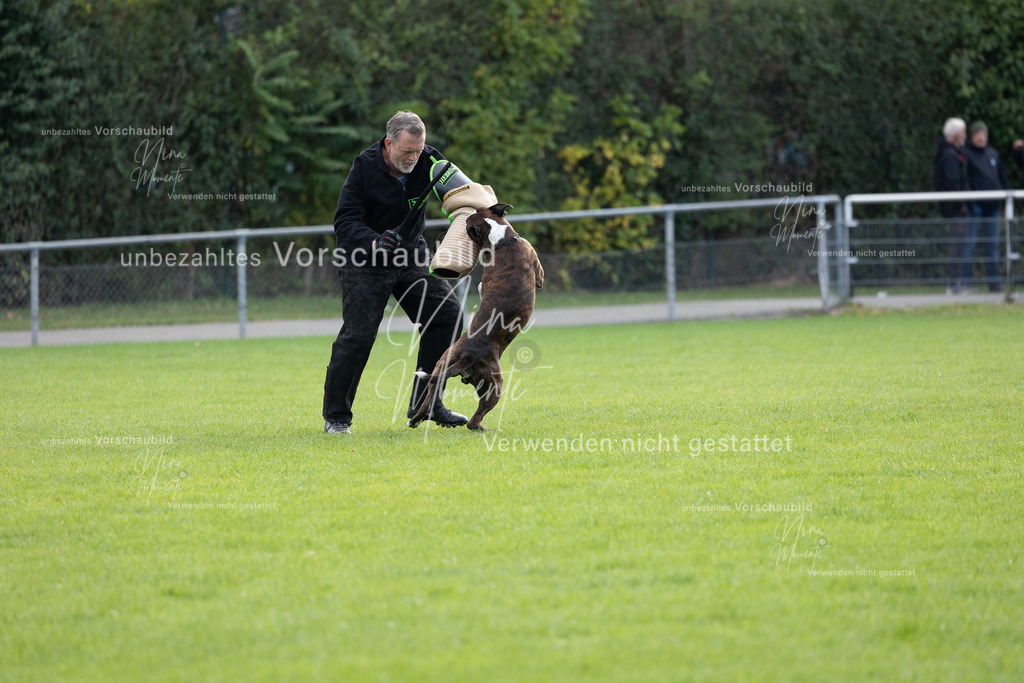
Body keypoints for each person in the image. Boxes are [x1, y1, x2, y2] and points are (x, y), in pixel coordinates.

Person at [322, 111, 468, 434]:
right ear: (388, 144)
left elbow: (463, 193)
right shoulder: (364, 166)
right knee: (358, 335)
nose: (415, 159)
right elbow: (344, 221)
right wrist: (375, 242)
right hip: (364, 259)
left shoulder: (431, 161)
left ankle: (426, 404)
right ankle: (336, 419)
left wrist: (482, 207)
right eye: (407, 152)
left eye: (419, 150)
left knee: (448, 317)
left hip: (410, 254)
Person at [963, 121, 1007, 292]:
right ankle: (966, 283)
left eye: (984, 134)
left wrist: (1004, 201)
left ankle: (994, 283)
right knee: (970, 245)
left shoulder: (993, 154)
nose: (982, 137)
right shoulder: (966, 154)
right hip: (976, 207)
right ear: (973, 136)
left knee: (992, 246)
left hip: (993, 207)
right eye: (979, 134)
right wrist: (970, 203)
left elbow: (1002, 178)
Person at [934, 117, 969, 294]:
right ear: (955, 135)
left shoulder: (951, 152)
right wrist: (961, 205)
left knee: (959, 245)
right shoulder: (949, 155)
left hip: (954, 207)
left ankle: (957, 281)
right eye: (963, 133)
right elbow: (952, 182)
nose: (965, 136)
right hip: (955, 210)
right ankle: (953, 283)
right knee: (957, 245)